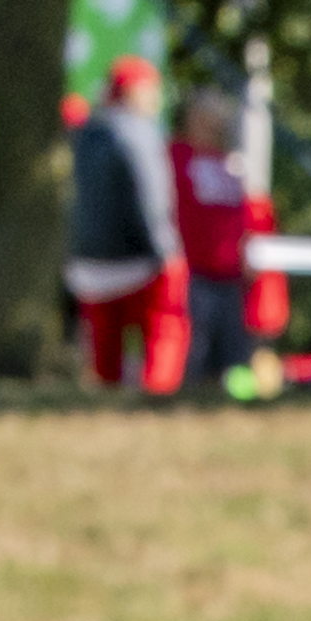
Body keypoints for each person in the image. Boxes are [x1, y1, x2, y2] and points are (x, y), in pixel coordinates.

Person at [67, 56, 188, 394]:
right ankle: (158, 395)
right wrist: (165, 249)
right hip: (138, 262)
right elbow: (150, 199)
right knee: (165, 329)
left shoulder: (85, 134)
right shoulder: (139, 133)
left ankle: (104, 399)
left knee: (105, 351)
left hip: (88, 264)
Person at [172, 71, 263, 399]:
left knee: (235, 347)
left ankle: (239, 400)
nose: (218, 120)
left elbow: (242, 221)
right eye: (210, 112)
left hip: (230, 275)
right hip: (191, 273)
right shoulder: (175, 156)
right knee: (194, 346)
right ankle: (189, 398)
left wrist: (247, 256)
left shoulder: (231, 163)